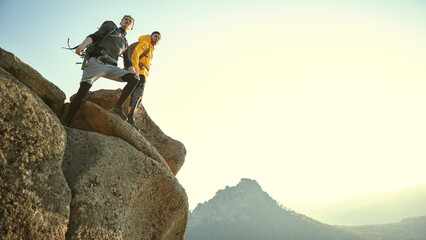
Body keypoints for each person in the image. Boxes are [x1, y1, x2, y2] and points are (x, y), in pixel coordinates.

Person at [62, 15, 140, 127]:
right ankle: (67, 122)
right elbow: (95, 36)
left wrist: (134, 72)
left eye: (130, 21)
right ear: (121, 21)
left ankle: (117, 107)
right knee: (82, 92)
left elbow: (127, 62)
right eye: (125, 19)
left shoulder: (126, 44)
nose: (127, 21)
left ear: (131, 27)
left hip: (111, 67)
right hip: (96, 62)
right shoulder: (111, 27)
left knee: (134, 79)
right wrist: (82, 46)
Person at [126, 31, 161, 130]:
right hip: (139, 72)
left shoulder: (151, 50)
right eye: (155, 36)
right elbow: (135, 54)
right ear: (151, 37)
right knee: (138, 95)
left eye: (158, 37)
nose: (156, 38)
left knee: (138, 96)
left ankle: (127, 115)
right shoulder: (145, 43)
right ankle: (129, 117)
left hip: (143, 74)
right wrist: (135, 70)